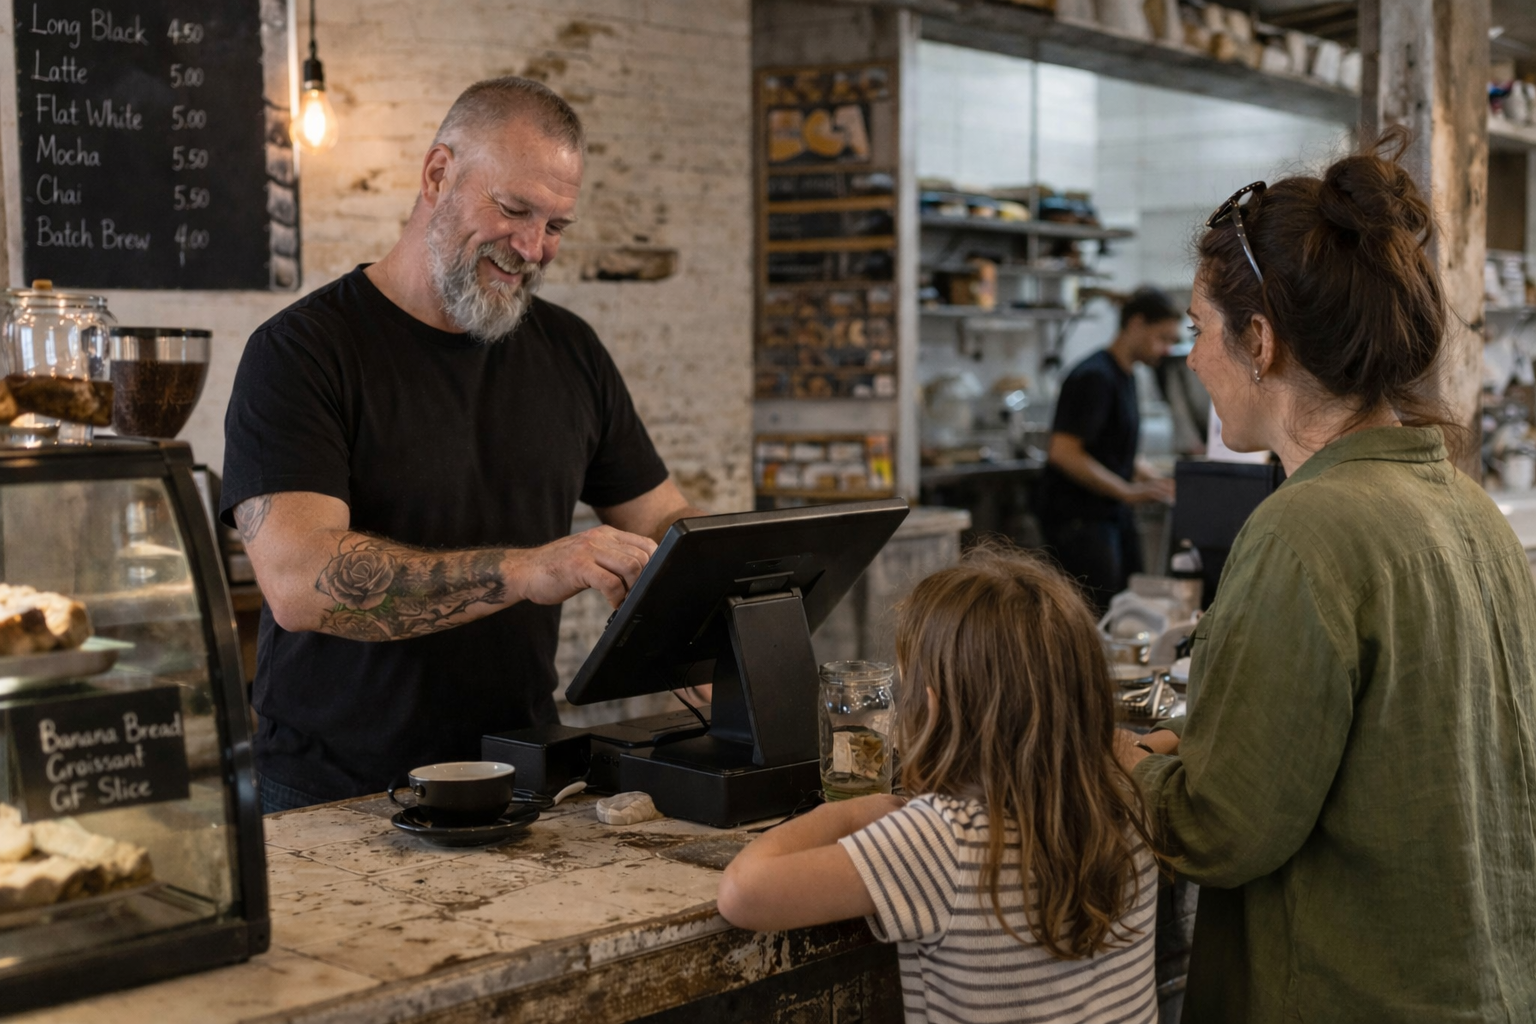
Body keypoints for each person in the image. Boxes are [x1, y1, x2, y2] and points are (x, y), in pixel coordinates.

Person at [1117, 129, 1536, 1022]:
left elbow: (1220, 827)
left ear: (1258, 340)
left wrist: (1107, 759)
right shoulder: (1468, 512)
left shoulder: (1304, 532)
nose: (1192, 358)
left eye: (1201, 332)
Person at [219, 77, 704, 812]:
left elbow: (665, 521)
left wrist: (701, 603)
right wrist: (527, 570)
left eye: (556, 225)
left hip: (526, 776)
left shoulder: (571, 350)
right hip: (337, 796)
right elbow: (297, 579)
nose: (534, 248)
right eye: (513, 210)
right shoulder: (301, 353)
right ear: (438, 174)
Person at [718, 546, 1161, 1024]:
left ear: (932, 706)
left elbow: (743, 893)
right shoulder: (1123, 799)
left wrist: (847, 813)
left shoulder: (941, 839)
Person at [1038, 287, 1181, 612]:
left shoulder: (1126, 375)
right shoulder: (1094, 377)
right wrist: (1128, 492)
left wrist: (1157, 480)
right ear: (1136, 324)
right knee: (1094, 613)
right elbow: (1064, 452)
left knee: (1125, 605)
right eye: (1162, 338)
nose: (1167, 349)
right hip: (1081, 520)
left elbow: (1117, 451)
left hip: (1110, 515)